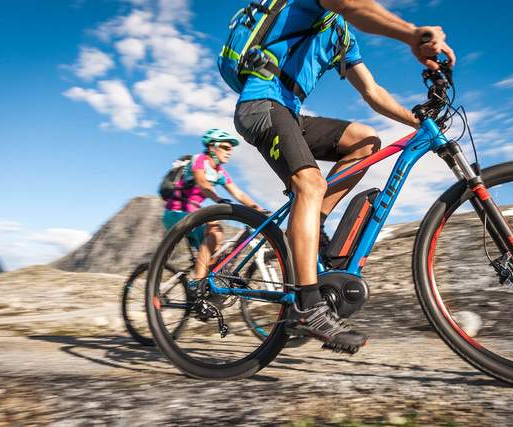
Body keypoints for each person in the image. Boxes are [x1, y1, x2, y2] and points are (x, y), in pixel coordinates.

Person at [233, 0, 456, 351]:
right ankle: (306, 307)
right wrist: (412, 33)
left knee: (366, 141)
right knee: (310, 183)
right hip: (261, 104)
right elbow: (353, 6)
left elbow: (372, 92)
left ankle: (313, 225)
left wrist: (419, 122)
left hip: (290, 112)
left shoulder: (341, 36)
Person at [163, 128, 264, 279]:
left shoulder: (220, 172)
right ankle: (198, 282)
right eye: (225, 147)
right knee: (215, 231)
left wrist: (259, 209)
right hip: (176, 211)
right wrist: (218, 200)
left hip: (193, 213)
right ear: (212, 147)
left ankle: (204, 283)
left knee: (215, 253)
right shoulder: (199, 160)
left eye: (231, 149)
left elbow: (238, 193)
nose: (229, 152)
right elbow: (203, 183)